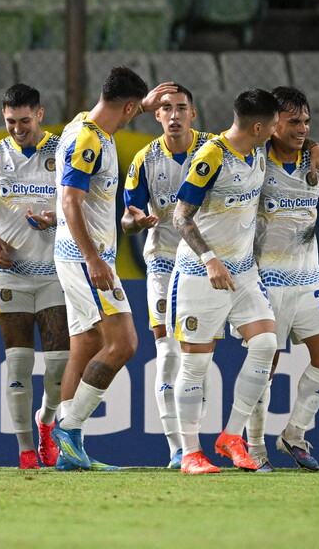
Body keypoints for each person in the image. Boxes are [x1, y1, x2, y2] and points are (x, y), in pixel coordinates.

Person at [51, 68, 175, 470]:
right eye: (131, 113)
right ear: (124, 105)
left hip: (74, 254)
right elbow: (70, 201)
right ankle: (67, 429)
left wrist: (142, 105)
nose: (130, 120)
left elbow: (114, 114)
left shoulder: (79, 124)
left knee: (85, 347)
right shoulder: (89, 141)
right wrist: (93, 258)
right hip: (86, 258)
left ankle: (70, 453)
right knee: (124, 344)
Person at [169, 88, 283, 474]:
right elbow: (180, 218)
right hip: (203, 273)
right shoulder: (211, 157)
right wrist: (209, 259)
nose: (276, 132)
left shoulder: (257, 149)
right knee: (195, 367)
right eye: (272, 127)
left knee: (267, 343)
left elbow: (295, 138)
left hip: (243, 272)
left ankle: (232, 436)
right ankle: (189, 453)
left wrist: (316, 148)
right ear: (256, 126)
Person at [244, 87, 319, 472]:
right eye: (293, 121)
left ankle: (295, 434)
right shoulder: (253, 160)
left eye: (307, 122)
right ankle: (254, 447)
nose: (302, 129)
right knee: (264, 363)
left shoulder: (317, 161)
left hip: (308, 278)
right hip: (265, 279)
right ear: (272, 125)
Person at [0, 84, 70, 469]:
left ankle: (46, 421)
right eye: (10, 121)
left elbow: (84, 205)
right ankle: (26, 450)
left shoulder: (62, 152)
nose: (17, 128)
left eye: (25, 120)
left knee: (59, 363)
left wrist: (56, 219)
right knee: (18, 365)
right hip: (11, 275)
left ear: (40, 114)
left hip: (55, 271)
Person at [121, 84, 213, 470]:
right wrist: (136, 221)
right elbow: (127, 217)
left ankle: (206, 441)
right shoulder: (144, 159)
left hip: (207, 262)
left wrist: (315, 149)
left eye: (181, 108)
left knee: (198, 358)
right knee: (168, 352)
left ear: (193, 113)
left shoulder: (215, 151)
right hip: (162, 262)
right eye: (165, 109)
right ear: (156, 116)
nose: (173, 115)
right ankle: (178, 448)